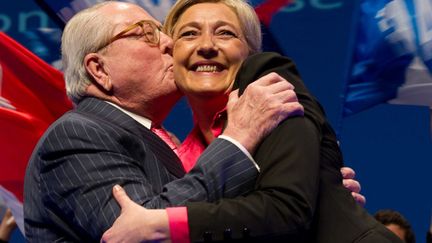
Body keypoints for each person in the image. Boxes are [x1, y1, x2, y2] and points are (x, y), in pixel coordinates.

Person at [102, 0, 403, 242]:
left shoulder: (270, 84)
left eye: (225, 33)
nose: (207, 45)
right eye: (189, 34)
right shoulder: (180, 161)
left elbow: (287, 210)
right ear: (171, 54)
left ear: (249, 53)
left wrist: (162, 223)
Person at [23, 1, 304, 242]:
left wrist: (305, 191)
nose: (170, 43)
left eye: (162, 31)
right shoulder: (78, 134)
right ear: (99, 69)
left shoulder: (160, 139)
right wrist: (238, 138)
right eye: (147, 33)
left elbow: (203, 220)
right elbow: (146, 229)